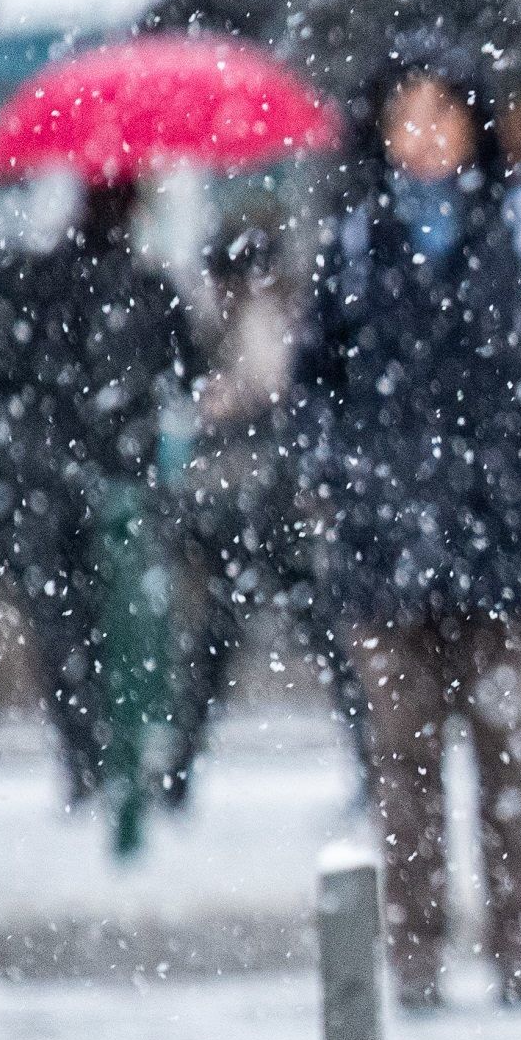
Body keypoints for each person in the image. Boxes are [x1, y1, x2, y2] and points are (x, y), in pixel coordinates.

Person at [298, 41, 521, 1011]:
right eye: (404, 117)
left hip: (501, 544)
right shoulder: (355, 244)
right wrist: (347, 476)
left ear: (474, 122)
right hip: (387, 554)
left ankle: (520, 954)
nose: (421, 138)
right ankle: (416, 958)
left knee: (505, 759)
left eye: (439, 114)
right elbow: (314, 388)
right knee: (402, 764)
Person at [0, 179, 197, 805]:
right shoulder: (148, 286)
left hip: (44, 484)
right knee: (130, 632)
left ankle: (89, 766)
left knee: (62, 630)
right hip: (115, 484)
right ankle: (133, 766)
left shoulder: (29, 283)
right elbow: (186, 375)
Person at [163, 223, 368, 807]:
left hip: (273, 508)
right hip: (246, 510)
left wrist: (254, 400)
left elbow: (301, 399)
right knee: (230, 644)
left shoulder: (284, 322)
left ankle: (181, 773)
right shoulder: (221, 327)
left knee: (314, 640)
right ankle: (180, 773)